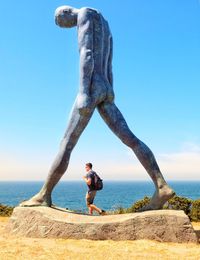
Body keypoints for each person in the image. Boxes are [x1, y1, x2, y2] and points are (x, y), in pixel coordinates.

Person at [20, 5, 175, 211]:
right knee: (131, 139)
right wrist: (110, 88)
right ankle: (161, 185)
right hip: (105, 86)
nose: (61, 25)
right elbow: (109, 59)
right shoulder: (105, 23)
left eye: (59, 21)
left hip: (91, 86)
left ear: (66, 12)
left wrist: (84, 91)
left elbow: (87, 52)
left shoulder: (84, 14)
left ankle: (43, 195)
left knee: (66, 143)